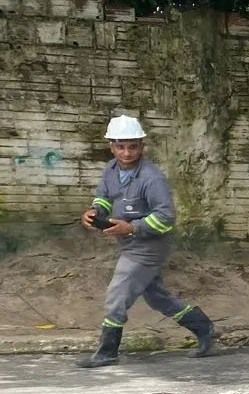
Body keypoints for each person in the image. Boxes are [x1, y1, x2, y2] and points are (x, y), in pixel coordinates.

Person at [77, 114, 217, 368]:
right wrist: (95, 211)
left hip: (149, 246)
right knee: (157, 297)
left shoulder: (152, 178)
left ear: (142, 146)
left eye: (133, 146)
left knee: (117, 293)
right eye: (121, 146)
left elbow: (166, 218)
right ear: (112, 146)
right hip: (128, 242)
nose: (127, 152)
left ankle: (108, 351)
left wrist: (130, 226)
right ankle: (203, 327)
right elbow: (104, 197)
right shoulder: (110, 170)